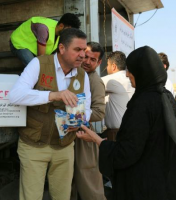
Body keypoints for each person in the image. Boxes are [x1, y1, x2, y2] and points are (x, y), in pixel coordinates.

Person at [76, 46, 176, 200]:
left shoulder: (143, 103)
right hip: (163, 180)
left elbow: (127, 152)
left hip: (143, 184)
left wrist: (97, 140)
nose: (127, 74)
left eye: (130, 70)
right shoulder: (166, 97)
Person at [9, 28, 91, 200]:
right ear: (61, 48)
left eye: (84, 50)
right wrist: (53, 95)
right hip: (34, 145)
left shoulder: (83, 75)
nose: (83, 55)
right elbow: (15, 95)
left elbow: (87, 109)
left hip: (65, 147)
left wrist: (79, 120)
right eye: (78, 49)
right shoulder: (39, 63)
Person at [70, 42, 106, 200]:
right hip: (70, 133)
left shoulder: (94, 81)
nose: (87, 61)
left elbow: (99, 113)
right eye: (86, 56)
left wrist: (75, 115)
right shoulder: (74, 73)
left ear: (99, 63)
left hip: (84, 136)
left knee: (89, 184)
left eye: (93, 60)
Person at [10, 13, 81, 68]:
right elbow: (41, 57)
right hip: (19, 42)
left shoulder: (61, 31)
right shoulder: (43, 29)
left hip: (33, 46)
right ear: (61, 26)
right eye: (68, 31)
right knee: (35, 67)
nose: (69, 34)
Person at [101, 51, 134, 141]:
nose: (106, 68)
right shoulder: (131, 79)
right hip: (133, 131)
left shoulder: (112, 79)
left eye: (107, 65)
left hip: (117, 134)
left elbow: (91, 85)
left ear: (114, 66)